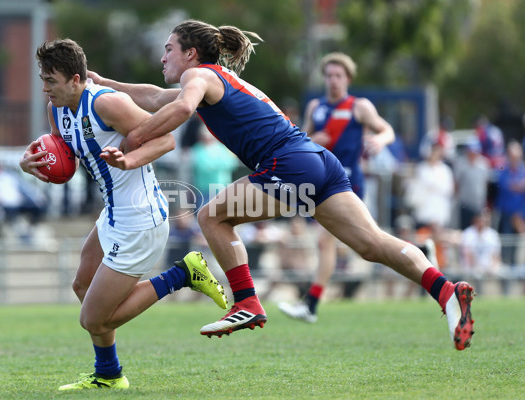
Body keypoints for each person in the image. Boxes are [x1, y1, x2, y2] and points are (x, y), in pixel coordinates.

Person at [91, 19, 475, 350]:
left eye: (169, 48)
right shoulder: (215, 79)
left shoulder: (199, 76)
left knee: (210, 217)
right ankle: (445, 290)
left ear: (191, 54)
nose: (163, 57)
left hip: (288, 162)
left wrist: (132, 141)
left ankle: (246, 301)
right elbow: (158, 97)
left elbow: (180, 109)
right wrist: (105, 83)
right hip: (318, 161)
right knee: (372, 244)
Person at [19, 38, 227, 391]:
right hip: (114, 213)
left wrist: (129, 159)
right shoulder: (56, 108)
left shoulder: (107, 103)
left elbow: (165, 140)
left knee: (93, 320)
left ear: (75, 79)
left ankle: (182, 275)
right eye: (42, 79)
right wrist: (33, 163)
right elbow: (61, 155)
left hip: (141, 218)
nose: (45, 88)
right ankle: (110, 374)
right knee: (82, 287)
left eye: (50, 81)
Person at [276, 52, 396, 323]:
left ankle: (311, 304)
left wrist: (380, 141)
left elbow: (387, 130)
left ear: (348, 78)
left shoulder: (358, 106)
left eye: (338, 76)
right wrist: (311, 138)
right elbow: (299, 141)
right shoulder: (315, 107)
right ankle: (417, 251)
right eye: (328, 75)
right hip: (319, 182)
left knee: (334, 241)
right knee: (365, 243)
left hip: (348, 183)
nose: (332, 80)